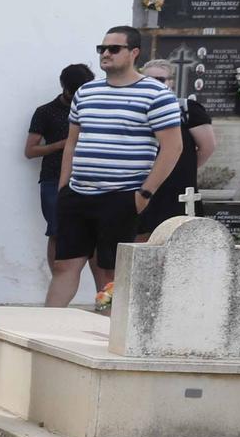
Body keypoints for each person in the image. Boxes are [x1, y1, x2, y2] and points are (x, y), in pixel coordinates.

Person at [48, 26, 181, 308]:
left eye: (113, 48)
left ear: (134, 53)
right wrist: (63, 187)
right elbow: (72, 143)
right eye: (102, 49)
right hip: (78, 194)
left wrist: (143, 195)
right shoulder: (86, 92)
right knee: (63, 267)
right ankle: (44, 331)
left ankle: (107, 336)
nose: (105, 54)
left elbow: (173, 148)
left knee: (109, 273)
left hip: (122, 195)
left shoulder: (156, 94)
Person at [27, 64, 93, 277]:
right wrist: (63, 144)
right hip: (53, 179)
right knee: (56, 231)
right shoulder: (45, 112)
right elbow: (30, 150)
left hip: (90, 177)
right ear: (65, 88)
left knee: (93, 233)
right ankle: (58, 283)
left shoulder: (94, 108)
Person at [141, 58, 216, 219]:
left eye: (160, 79)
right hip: (143, 181)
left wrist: (182, 168)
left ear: (171, 82)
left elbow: (207, 147)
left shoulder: (187, 109)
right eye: (147, 80)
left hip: (176, 184)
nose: (153, 84)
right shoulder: (136, 109)